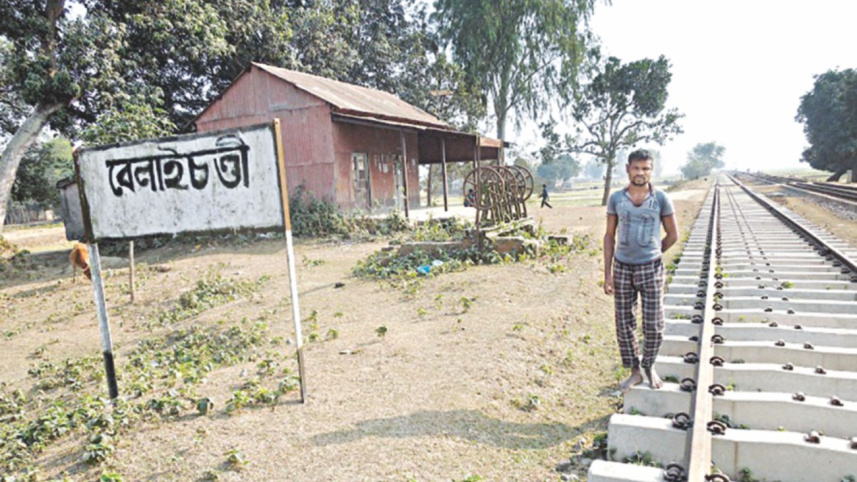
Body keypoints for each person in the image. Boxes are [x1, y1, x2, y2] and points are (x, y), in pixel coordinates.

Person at [603, 149, 678, 392]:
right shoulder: (617, 199)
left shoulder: (662, 199)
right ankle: (634, 371)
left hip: (651, 268)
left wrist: (653, 253)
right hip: (622, 268)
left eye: (645, 168)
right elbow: (609, 236)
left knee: (654, 322)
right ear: (627, 169)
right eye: (636, 168)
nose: (640, 173)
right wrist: (608, 274)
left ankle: (649, 365)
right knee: (624, 322)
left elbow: (673, 235)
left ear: (651, 170)